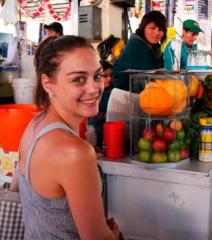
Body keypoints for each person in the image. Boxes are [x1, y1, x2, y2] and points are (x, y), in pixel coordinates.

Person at [10, 35, 121, 239]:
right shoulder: (74, 152)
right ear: (47, 83)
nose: (94, 88)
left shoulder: (36, 124)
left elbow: (20, 188)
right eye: (78, 79)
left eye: (97, 76)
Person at [112, 10, 167, 91]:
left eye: (160, 29)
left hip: (143, 92)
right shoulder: (136, 45)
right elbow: (152, 76)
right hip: (126, 95)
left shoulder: (155, 47)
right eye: (152, 28)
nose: (156, 33)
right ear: (143, 28)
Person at [89, 60, 113, 149]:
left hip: (110, 138)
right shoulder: (91, 93)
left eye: (111, 75)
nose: (109, 78)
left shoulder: (112, 92)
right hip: (94, 137)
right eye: (105, 76)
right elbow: (92, 116)